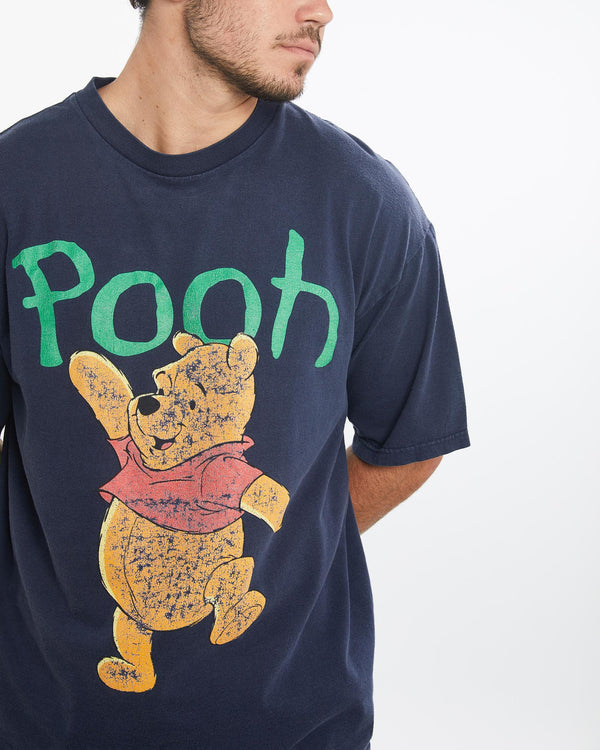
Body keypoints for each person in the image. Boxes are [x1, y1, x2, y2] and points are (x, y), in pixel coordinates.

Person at [0, 0, 470, 747]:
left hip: (297, 725)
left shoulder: (362, 200)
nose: (322, 12)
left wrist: (247, 538)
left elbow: (410, 441)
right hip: (46, 723)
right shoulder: (18, 183)